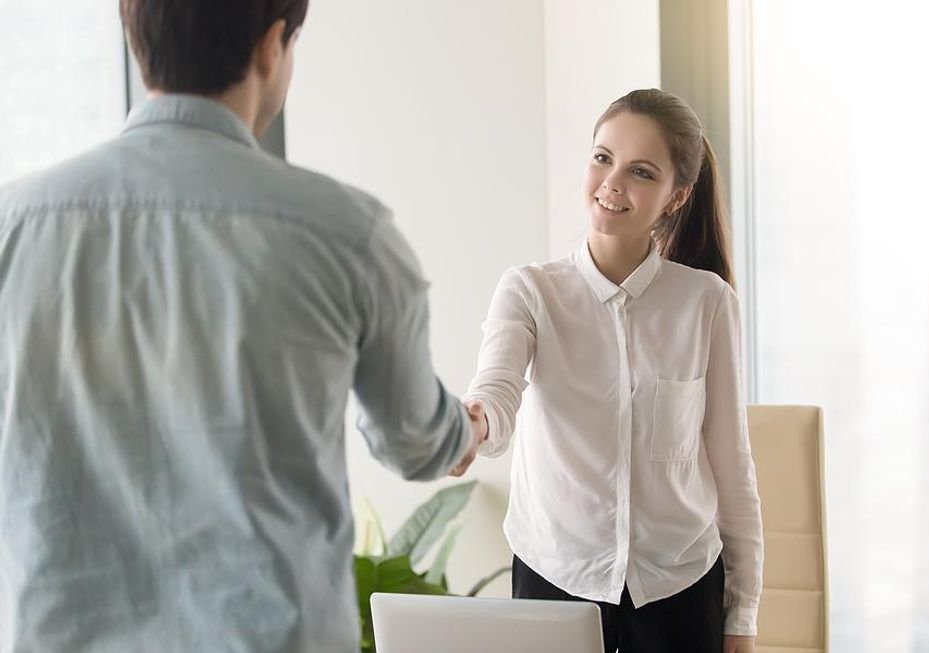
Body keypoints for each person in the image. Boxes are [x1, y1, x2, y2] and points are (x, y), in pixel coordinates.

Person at [0, 1, 485, 650]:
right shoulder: (348, 233)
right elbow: (415, 440)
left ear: (135, 38)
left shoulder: (15, 224)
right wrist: (470, 427)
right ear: (272, 45)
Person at [458, 89, 763, 653]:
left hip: (680, 587)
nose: (612, 182)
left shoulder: (707, 303)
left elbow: (732, 467)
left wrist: (742, 613)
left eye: (641, 171)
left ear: (677, 196)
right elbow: (496, 394)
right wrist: (470, 428)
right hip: (556, 577)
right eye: (602, 157)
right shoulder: (530, 291)